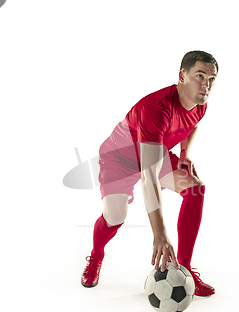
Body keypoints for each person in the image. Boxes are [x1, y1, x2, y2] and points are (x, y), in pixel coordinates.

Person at [81, 50, 218, 297]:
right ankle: (96, 255)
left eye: (211, 79)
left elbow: (192, 125)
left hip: (155, 152)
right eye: (200, 76)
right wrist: (160, 235)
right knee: (114, 217)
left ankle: (184, 270)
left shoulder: (200, 102)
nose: (206, 84)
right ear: (182, 76)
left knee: (195, 189)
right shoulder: (157, 109)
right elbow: (149, 178)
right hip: (119, 159)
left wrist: (185, 154)